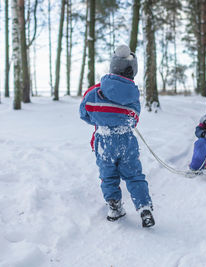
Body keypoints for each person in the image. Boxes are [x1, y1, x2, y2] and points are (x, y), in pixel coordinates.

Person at [79, 45, 154, 228]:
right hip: (126, 139)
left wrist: (102, 120)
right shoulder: (133, 95)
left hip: (104, 140)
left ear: (113, 66)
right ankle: (144, 208)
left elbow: (84, 112)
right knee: (134, 175)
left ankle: (114, 207)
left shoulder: (95, 91)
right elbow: (134, 119)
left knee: (108, 176)